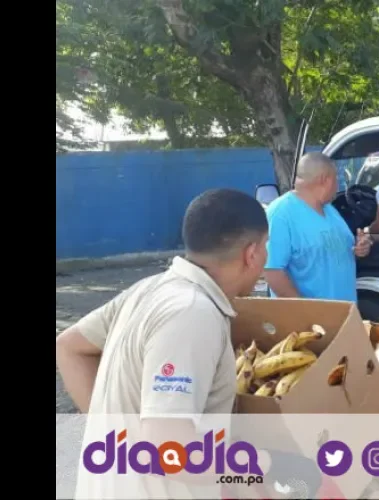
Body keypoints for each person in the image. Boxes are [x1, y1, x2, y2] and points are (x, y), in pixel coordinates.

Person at [56, 189, 276, 498]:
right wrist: (259, 467)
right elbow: (166, 450)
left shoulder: (148, 290)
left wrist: (116, 437)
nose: (266, 257)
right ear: (251, 254)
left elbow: (69, 347)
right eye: (266, 247)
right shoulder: (193, 313)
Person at [264, 152, 372, 301]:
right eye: (336, 180)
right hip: (309, 321)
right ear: (324, 180)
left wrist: (360, 249)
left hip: (344, 315)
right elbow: (272, 271)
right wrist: (308, 313)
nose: (337, 187)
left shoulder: (330, 210)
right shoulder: (281, 213)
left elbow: (336, 252)